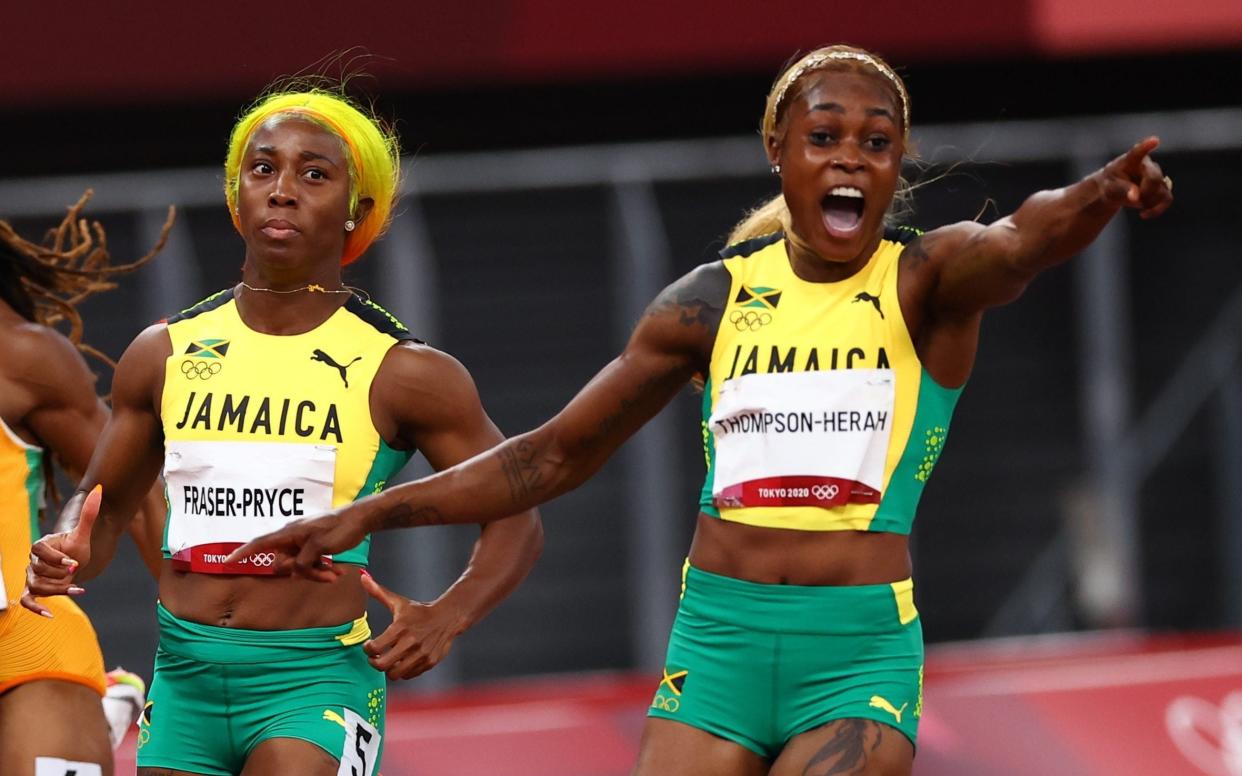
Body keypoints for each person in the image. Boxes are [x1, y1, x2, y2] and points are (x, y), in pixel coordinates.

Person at [23, 85, 543, 776]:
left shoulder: (404, 371)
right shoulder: (165, 352)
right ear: (237, 195)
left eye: (314, 174)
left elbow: (517, 515)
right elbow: (103, 509)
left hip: (315, 682)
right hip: (184, 679)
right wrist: (64, 546)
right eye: (263, 168)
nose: (283, 190)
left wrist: (447, 614)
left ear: (357, 211)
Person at [0, 191, 172, 776]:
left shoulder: (21, 356)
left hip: (24, 648)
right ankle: (107, 708)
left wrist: (207, 642)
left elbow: (136, 496)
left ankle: (86, 708)